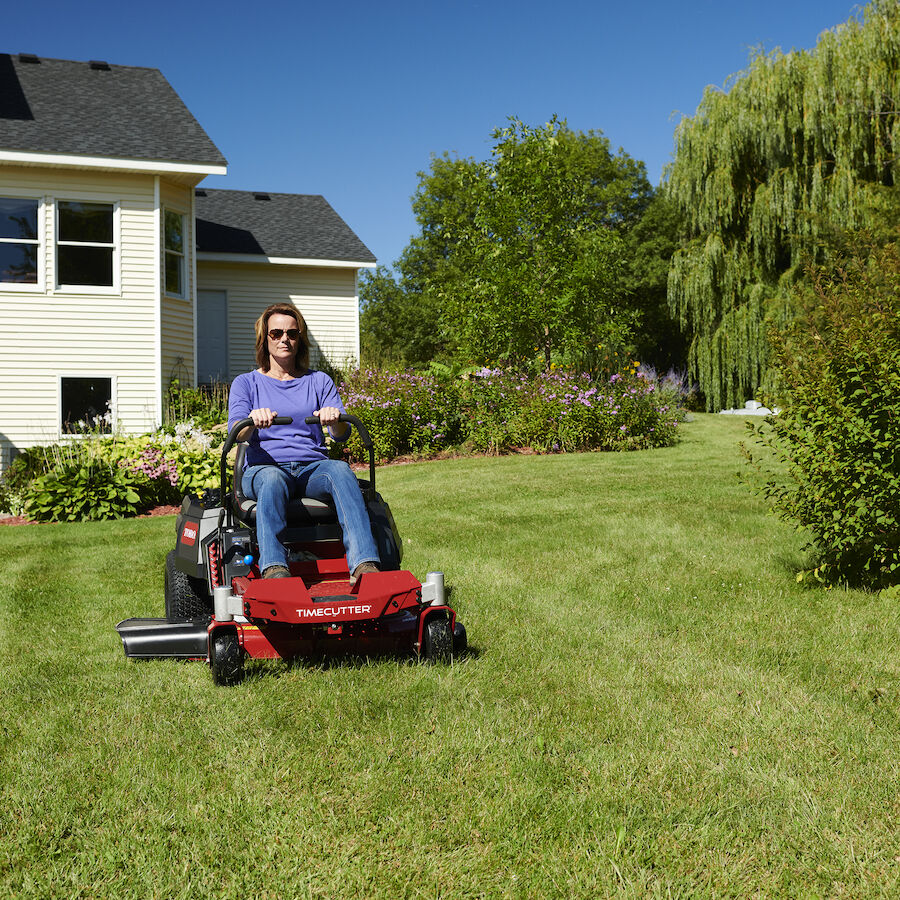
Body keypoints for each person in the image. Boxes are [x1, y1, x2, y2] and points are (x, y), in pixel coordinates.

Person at [227, 302, 381, 581]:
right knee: (273, 480)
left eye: (292, 333)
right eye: (276, 333)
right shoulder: (246, 383)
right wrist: (252, 419)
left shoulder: (319, 381)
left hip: (312, 468)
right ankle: (274, 568)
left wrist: (335, 419)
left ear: (300, 339)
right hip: (264, 468)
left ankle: (364, 565)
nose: (285, 339)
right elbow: (237, 434)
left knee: (341, 470)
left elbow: (340, 434)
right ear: (265, 339)